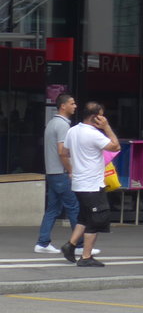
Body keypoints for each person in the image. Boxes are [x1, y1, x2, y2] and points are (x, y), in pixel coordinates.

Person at [60, 102, 119, 268]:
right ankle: (86, 256)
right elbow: (115, 146)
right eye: (102, 116)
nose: (104, 119)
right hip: (92, 184)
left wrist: (71, 170)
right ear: (96, 117)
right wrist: (107, 127)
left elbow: (64, 153)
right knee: (96, 219)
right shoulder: (94, 134)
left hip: (79, 182)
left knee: (84, 217)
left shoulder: (72, 130)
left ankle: (70, 245)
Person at [34, 93, 80, 254]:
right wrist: (71, 170)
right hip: (61, 173)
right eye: (72, 103)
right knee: (74, 207)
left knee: (53, 209)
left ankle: (43, 242)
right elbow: (62, 152)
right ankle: (79, 245)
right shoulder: (62, 125)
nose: (75, 106)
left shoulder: (52, 123)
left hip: (52, 172)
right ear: (63, 106)